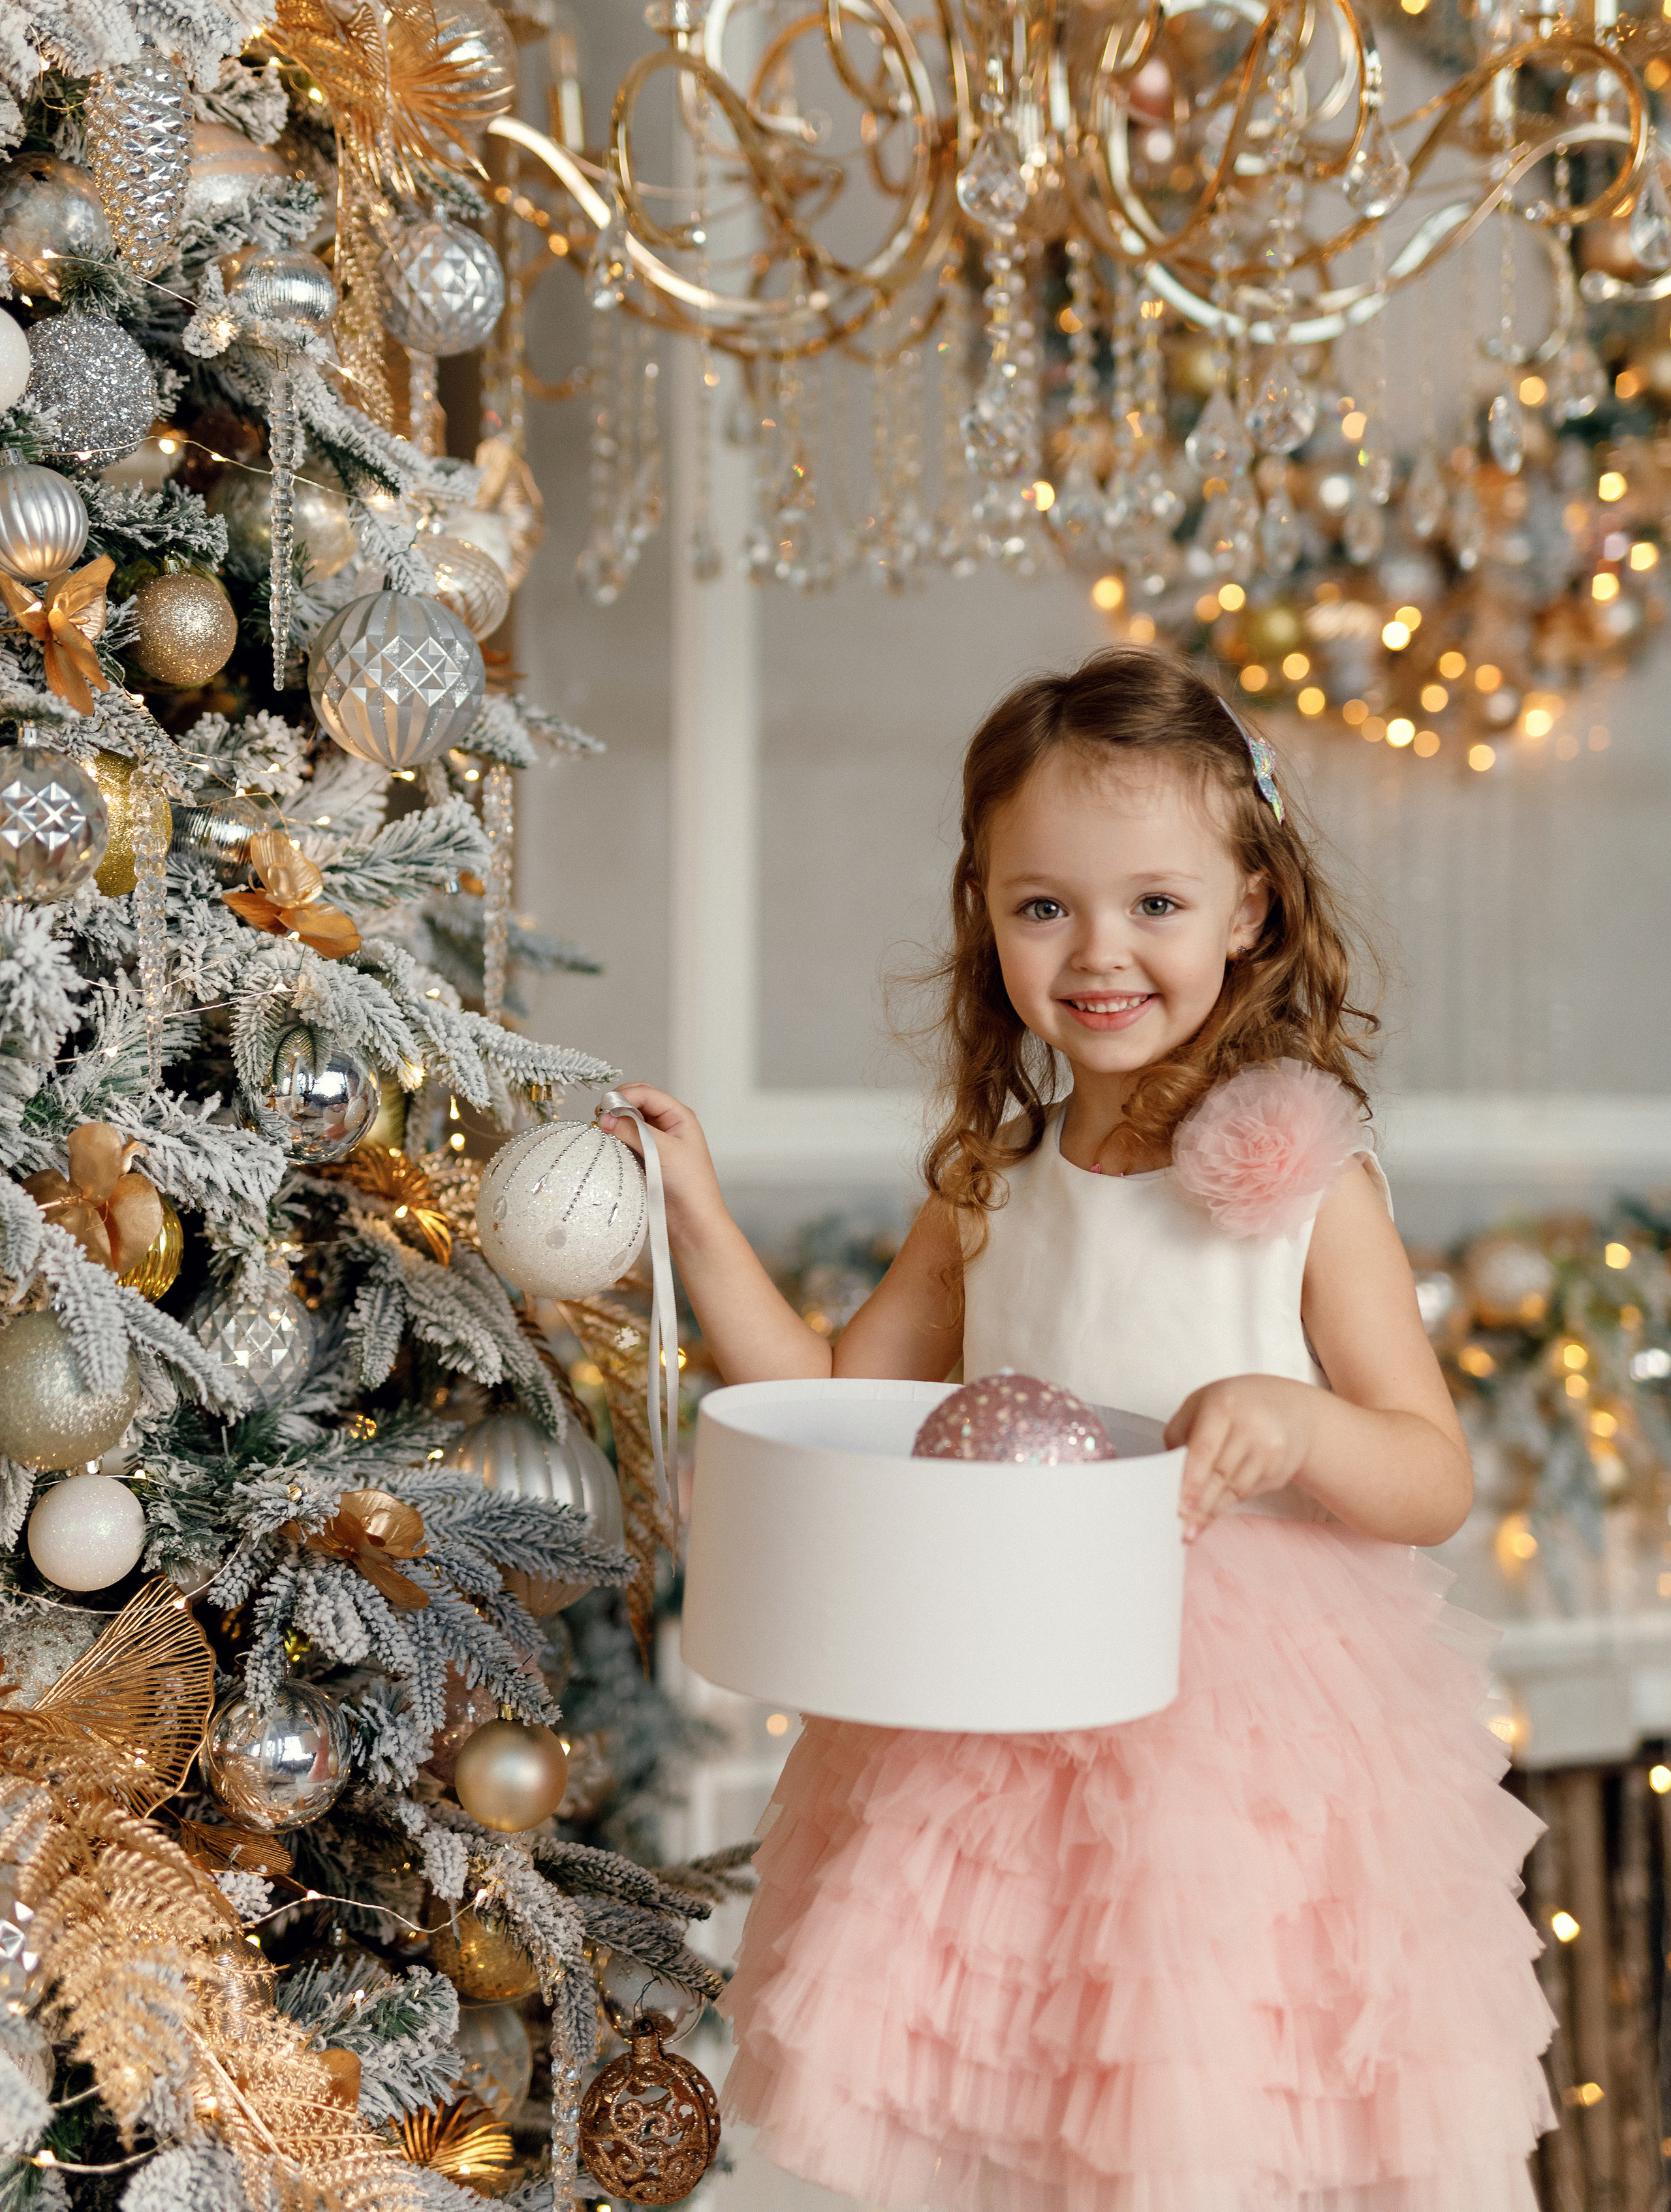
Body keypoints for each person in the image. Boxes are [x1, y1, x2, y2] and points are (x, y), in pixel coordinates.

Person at [604, 649, 1555, 2211]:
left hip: (1233, 1726)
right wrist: (692, 1212)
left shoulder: (1300, 1177)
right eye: (1044, 905)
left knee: (1193, 2098)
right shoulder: (994, 1179)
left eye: (1155, 906)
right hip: (994, 1692)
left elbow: (1428, 1476)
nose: (1098, 951)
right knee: (1018, 2112)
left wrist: (1297, 1422)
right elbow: (831, 1395)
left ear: (1248, 905)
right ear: (983, 907)